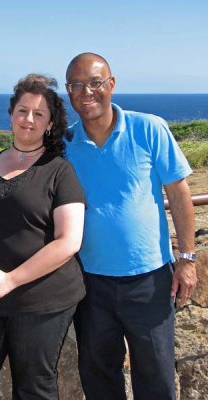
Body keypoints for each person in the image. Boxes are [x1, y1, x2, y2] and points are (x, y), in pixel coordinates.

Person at [64, 53, 197, 400]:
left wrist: (186, 258)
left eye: (94, 82)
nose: (86, 92)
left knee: (156, 380)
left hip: (150, 280)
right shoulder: (64, 145)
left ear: (111, 84)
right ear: (68, 92)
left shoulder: (148, 127)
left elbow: (179, 194)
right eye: (76, 85)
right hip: (90, 283)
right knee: (99, 379)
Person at [0, 74, 86, 400]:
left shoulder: (59, 171)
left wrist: (9, 281)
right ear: (11, 115)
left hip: (41, 299)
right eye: (23, 111)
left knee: (33, 389)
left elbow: (69, 240)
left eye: (39, 114)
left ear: (50, 124)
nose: (29, 120)